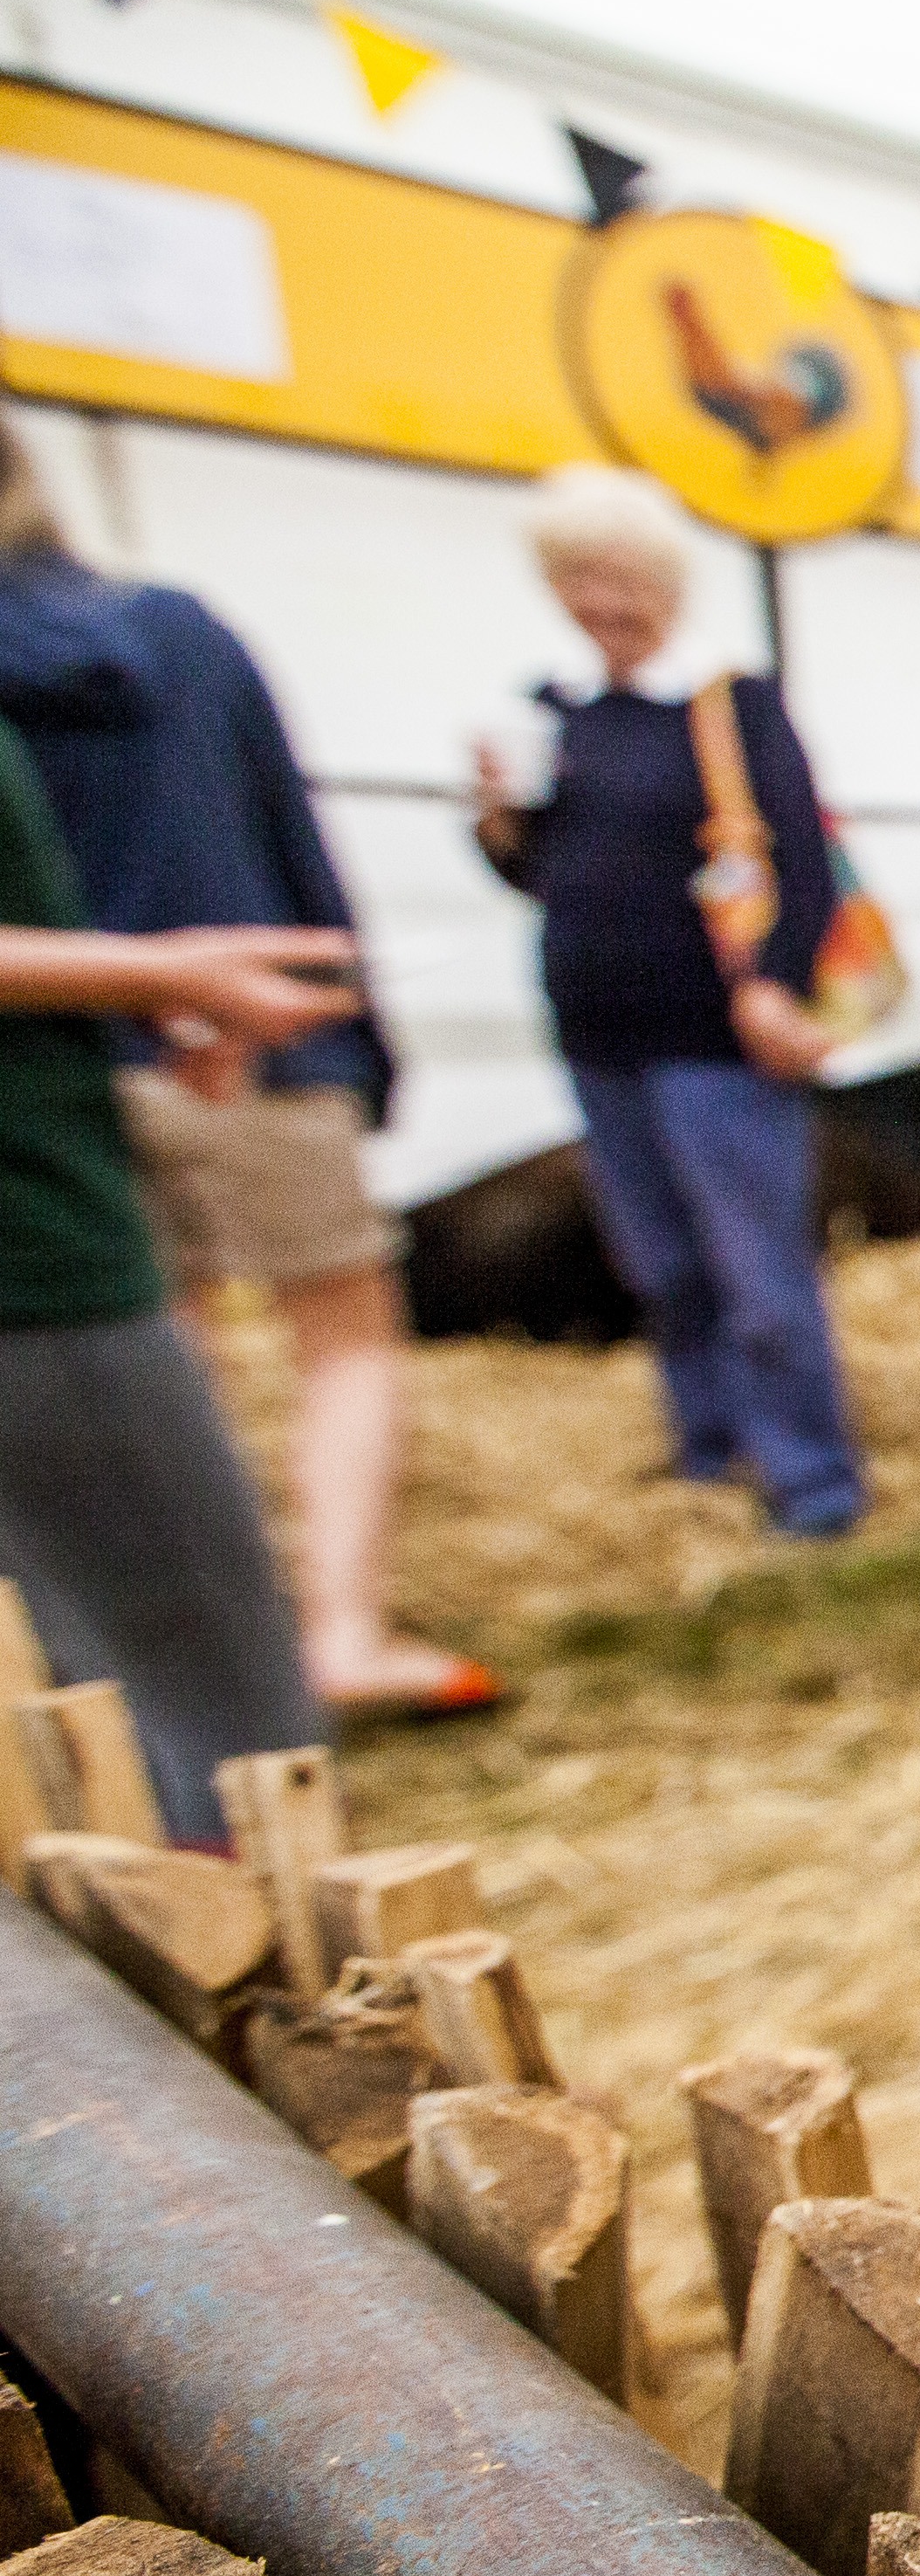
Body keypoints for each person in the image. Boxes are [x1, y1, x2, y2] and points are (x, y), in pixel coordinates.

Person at [0, 422, 492, 1720]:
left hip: (80, 1073)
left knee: (172, 1344)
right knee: (341, 1337)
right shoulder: (182, 635)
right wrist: (349, 1032)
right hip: (252, 1032)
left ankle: (219, 1636)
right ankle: (338, 1629)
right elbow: (284, 824)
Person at [473, 465, 865, 1539]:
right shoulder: (555, 711)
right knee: (661, 1259)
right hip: (601, 1028)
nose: (604, 599)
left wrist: (775, 986)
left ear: (667, 579)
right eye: (580, 577)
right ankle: (707, 1454)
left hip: (713, 1033)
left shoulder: (727, 705)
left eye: (623, 575)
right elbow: (544, 873)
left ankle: (813, 1485)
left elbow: (804, 859)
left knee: (757, 1264)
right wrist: (500, 827)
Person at [0, 708, 357, 1836]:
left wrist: (126, 989)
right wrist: (149, 969)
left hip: (49, 1193)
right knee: (209, 1722)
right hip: (31, 1243)